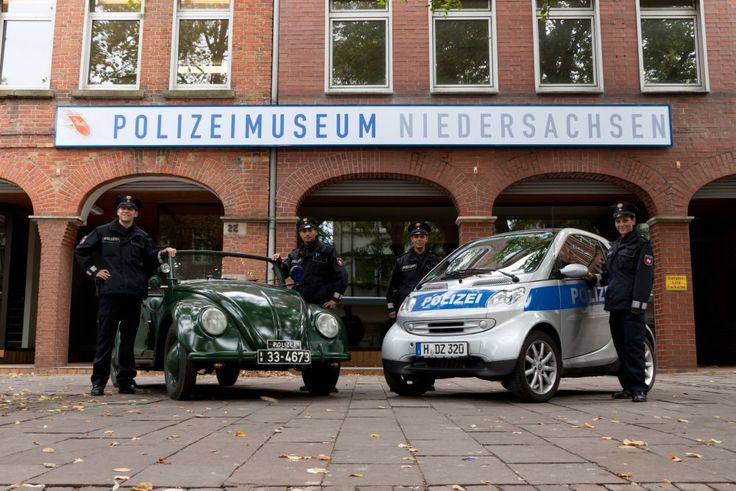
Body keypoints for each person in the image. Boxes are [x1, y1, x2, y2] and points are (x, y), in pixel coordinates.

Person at [75, 195, 176, 396]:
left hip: (133, 294)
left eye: (130, 209)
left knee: (128, 341)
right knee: (106, 338)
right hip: (110, 294)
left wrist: (164, 252)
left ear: (136, 213)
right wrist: (95, 271)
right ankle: (98, 383)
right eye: (122, 208)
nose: (126, 211)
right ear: (117, 211)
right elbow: (81, 251)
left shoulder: (142, 237)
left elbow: (152, 259)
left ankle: (126, 382)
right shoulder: (103, 232)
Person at [585, 202, 654, 403]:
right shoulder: (614, 247)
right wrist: (594, 278)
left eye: (625, 220)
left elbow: (644, 277)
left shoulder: (642, 245)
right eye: (618, 221)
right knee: (621, 347)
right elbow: (610, 276)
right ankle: (627, 387)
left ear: (633, 221)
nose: (621, 224)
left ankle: (639, 388)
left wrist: (638, 304)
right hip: (614, 305)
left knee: (634, 347)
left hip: (632, 307)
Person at [273, 216, 347, 309]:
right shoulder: (295, 254)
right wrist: (278, 262)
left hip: (322, 305)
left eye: (310, 230)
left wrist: (334, 300)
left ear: (316, 232)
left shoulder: (328, 251)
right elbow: (282, 275)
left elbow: (341, 277)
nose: (307, 234)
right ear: (300, 233)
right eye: (303, 231)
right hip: (300, 304)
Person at [386, 221, 440, 319]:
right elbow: (392, 287)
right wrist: (391, 308)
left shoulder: (435, 261)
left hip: (429, 306)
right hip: (406, 307)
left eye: (422, 236)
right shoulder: (402, 261)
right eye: (416, 237)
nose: (419, 239)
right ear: (412, 239)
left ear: (426, 239)